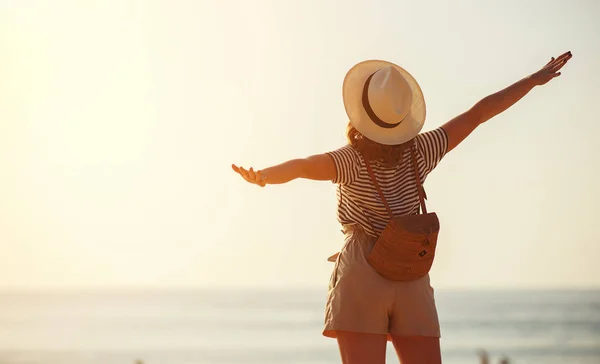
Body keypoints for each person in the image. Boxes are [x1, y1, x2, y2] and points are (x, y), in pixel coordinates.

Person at [232, 52, 572, 364]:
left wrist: (264, 177)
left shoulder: (349, 160)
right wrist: (532, 80)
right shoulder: (422, 150)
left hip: (362, 271)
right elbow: (479, 113)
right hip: (412, 270)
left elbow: (305, 166)